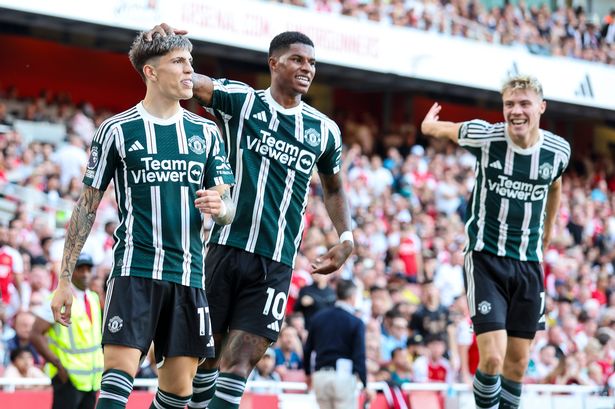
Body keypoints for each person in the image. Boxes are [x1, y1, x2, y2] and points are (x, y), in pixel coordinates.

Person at [146, 24, 354, 409]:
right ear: (273, 63)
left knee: (240, 363)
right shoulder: (242, 102)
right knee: (201, 359)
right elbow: (187, 81)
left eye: (312, 62)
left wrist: (346, 238)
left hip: (275, 263)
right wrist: (165, 48)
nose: (307, 68)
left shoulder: (324, 130)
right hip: (224, 249)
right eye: (297, 59)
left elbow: (335, 188)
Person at [50, 31, 236, 409]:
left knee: (178, 394)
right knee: (117, 378)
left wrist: (220, 208)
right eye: (179, 62)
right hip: (135, 270)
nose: (189, 70)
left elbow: (228, 205)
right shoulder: (117, 129)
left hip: (188, 275)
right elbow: (86, 207)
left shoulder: (206, 132)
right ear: (151, 72)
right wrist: (64, 280)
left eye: (190, 62)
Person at [421, 74, 570, 409]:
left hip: (529, 263)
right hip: (485, 258)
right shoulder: (485, 136)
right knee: (492, 358)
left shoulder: (558, 151)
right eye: (509, 104)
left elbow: (555, 185)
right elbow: (443, 129)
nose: (516, 111)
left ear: (541, 108)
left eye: (524, 103)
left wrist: (547, 233)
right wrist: (429, 124)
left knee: (517, 365)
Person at [30, 253, 103, 409]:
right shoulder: (57, 298)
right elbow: (35, 334)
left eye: (88, 269)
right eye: (80, 269)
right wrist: (58, 365)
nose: (85, 274)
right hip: (67, 378)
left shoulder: (94, 298)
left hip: (91, 380)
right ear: (71, 271)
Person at [303, 279, 371, 409]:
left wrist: (308, 374)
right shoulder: (356, 322)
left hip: (321, 376)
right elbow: (359, 356)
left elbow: (307, 349)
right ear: (353, 296)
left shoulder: (318, 317)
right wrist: (364, 383)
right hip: (343, 376)